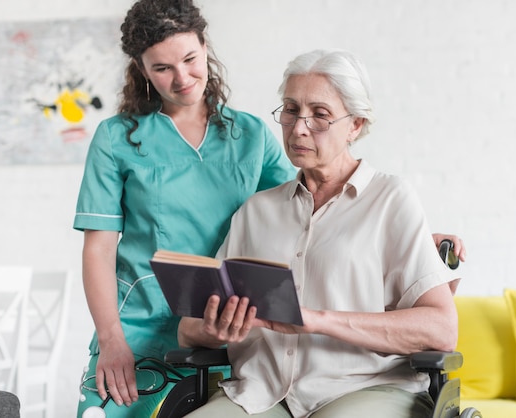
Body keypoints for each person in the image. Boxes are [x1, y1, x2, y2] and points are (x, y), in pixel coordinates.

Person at [73, 0, 465, 416]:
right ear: (141, 69)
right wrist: (113, 337)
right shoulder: (120, 139)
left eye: (189, 59)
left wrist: (416, 240)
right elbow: (99, 247)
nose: (182, 77)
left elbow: (324, 205)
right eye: (162, 67)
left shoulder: (250, 136)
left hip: (266, 348)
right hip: (151, 325)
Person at [178, 49, 461, 418]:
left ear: (355, 125)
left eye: (320, 115)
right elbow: (188, 329)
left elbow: (441, 330)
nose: (299, 127)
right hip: (261, 395)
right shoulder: (256, 211)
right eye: (291, 110)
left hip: (364, 389)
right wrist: (217, 329)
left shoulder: (391, 199)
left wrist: (316, 320)